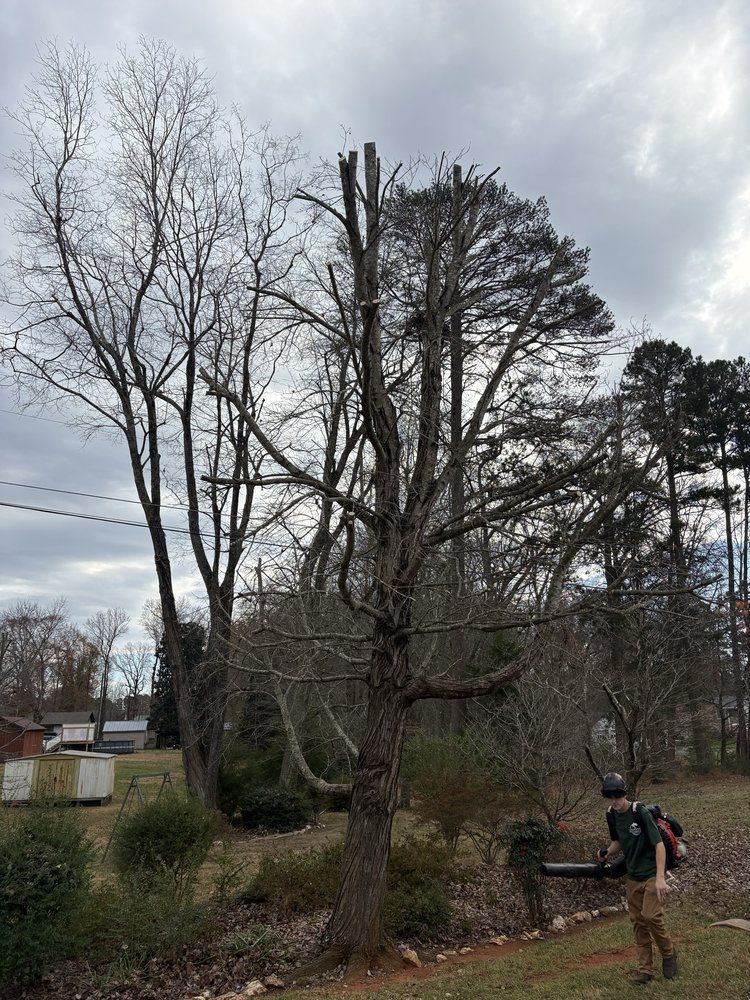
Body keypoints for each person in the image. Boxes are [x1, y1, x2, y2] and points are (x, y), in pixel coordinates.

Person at [598, 772, 678, 985]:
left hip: (652, 873)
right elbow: (617, 841)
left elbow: (659, 845)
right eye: (610, 796)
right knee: (638, 923)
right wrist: (607, 852)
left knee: (651, 916)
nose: (615, 800)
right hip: (632, 876)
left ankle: (669, 953)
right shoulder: (611, 814)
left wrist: (661, 878)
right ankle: (645, 971)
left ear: (624, 793)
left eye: (618, 795)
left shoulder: (639, 812)